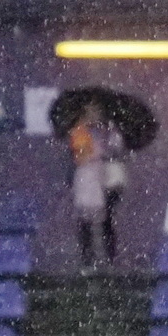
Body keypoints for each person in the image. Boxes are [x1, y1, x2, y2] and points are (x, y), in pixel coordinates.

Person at [68, 108, 127, 270]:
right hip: (88, 179)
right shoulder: (79, 132)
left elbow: (117, 150)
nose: (93, 117)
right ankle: (88, 259)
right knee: (86, 220)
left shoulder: (109, 131)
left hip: (105, 179)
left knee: (106, 220)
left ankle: (107, 258)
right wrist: (94, 154)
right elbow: (80, 157)